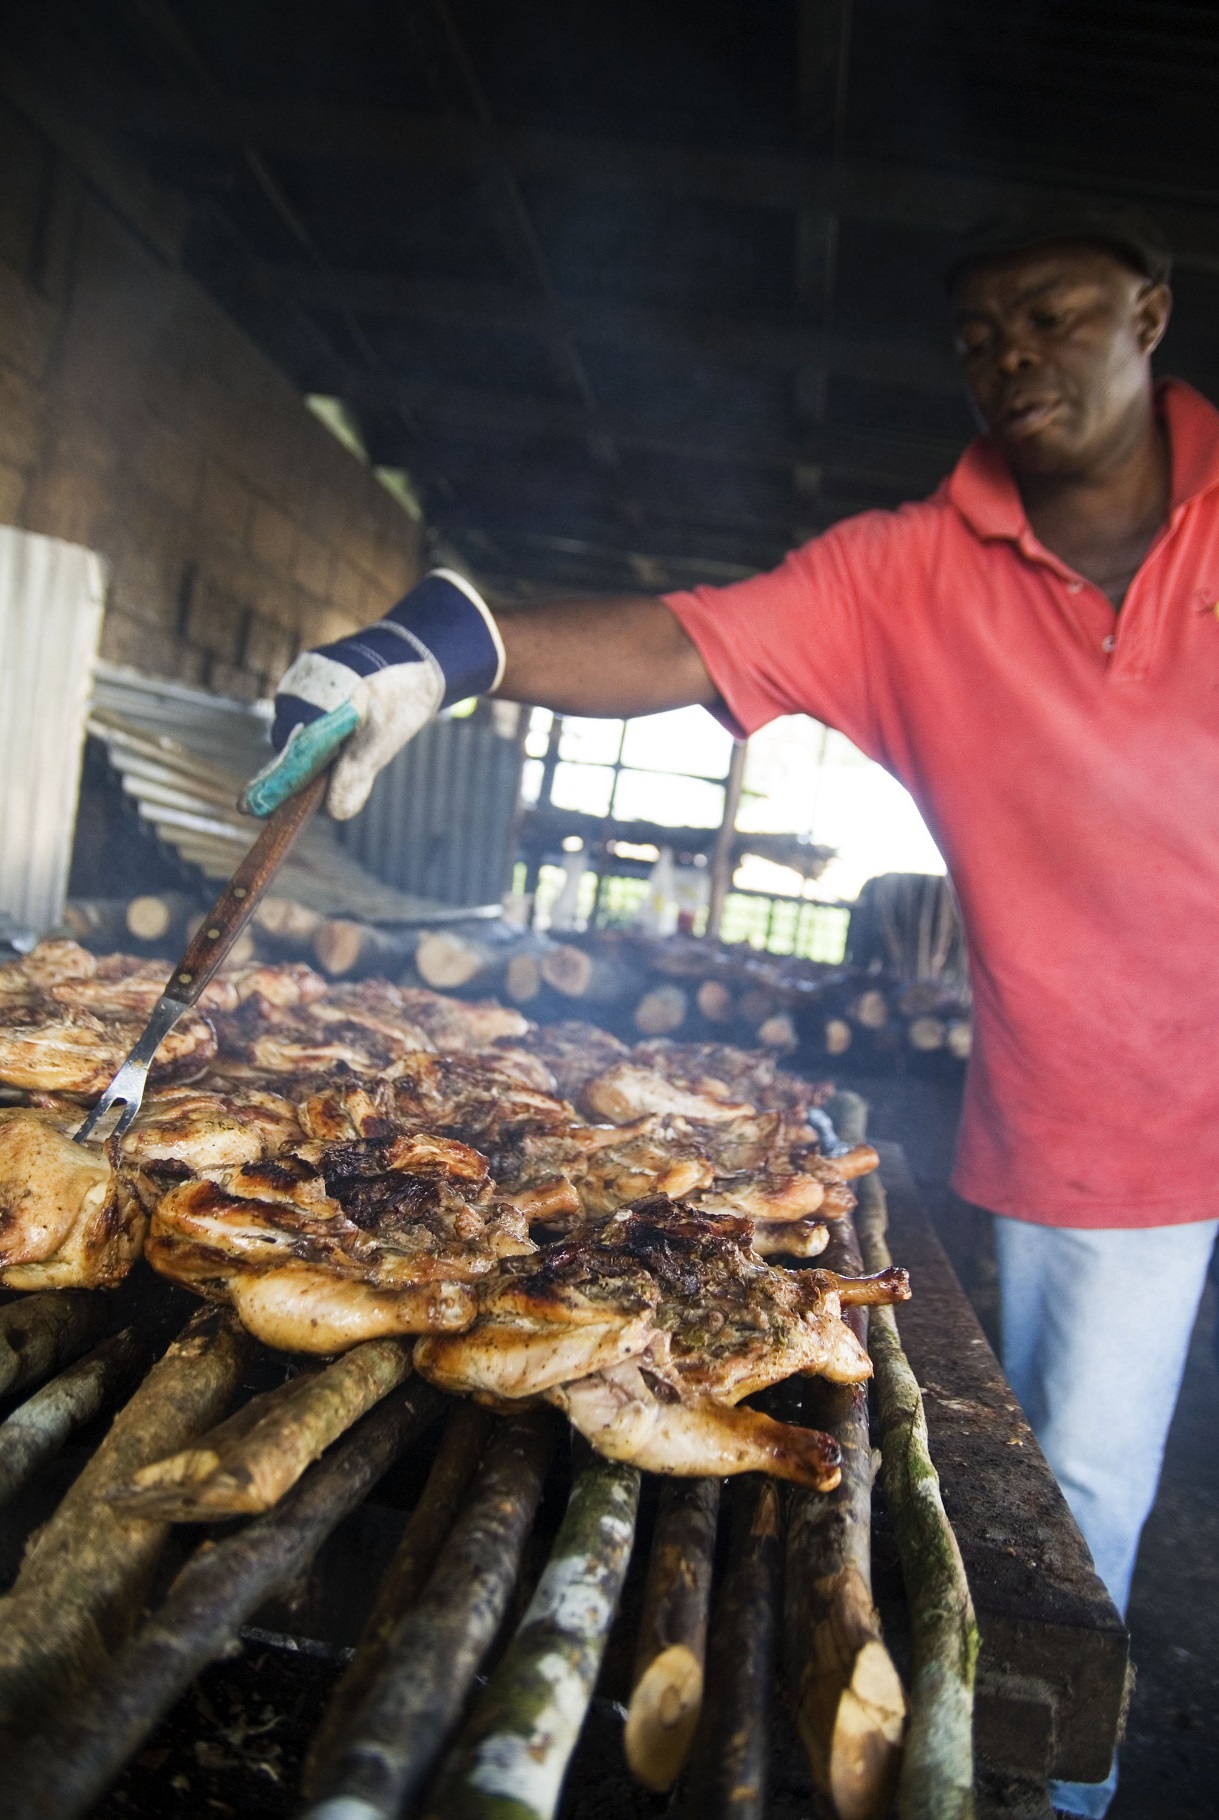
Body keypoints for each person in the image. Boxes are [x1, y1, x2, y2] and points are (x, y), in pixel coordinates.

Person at [273, 202, 1219, 1817]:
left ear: (1149, 311)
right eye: (981, 335)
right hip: (1106, 1124)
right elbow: (691, 638)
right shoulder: (912, 571)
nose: (1013, 357)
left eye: (1053, 314)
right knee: (1077, 1503)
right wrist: (449, 642)